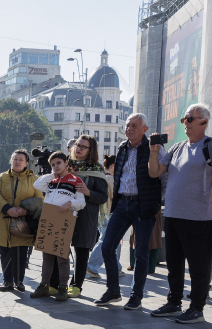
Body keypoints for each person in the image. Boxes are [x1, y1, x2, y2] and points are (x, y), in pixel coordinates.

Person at [147, 103, 212, 323]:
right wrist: (153, 152)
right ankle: (174, 302)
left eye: (189, 119)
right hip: (174, 215)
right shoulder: (178, 147)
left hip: (198, 218)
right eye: (184, 119)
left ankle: (197, 307)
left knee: (199, 265)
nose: (184, 123)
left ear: (204, 122)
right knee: (174, 263)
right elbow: (155, 172)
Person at [94, 113, 163, 310]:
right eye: (127, 125)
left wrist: (156, 201)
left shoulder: (154, 147)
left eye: (134, 125)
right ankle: (113, 291)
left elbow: (161, 175)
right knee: (107, 246)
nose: (129, 128)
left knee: (141, 253)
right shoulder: (122, 148)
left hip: (143, 205)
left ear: (144, 129)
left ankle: (136, 296)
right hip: (123, 203)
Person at [30, 151, 86, 300]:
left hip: (64, 222)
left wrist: (70, 203)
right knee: (47, 257)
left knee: (62, 257)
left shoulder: (76, 180)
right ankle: (44, 286)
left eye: (58, 163)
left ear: (66, 162)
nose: (56, 166)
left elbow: (82, 203)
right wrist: (52, 174)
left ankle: (62, 288)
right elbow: (37, 184)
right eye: (53, 164)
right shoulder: (51, 181)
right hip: (48, 220)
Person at [0, 149, 43, 292]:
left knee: (21, 253)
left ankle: (19, 281)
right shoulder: (3, 177)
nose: (17, 162)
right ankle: (7, 281)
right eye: (15, 159)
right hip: (3, 220)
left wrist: (25, 210)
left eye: (20, 159)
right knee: (4, 251)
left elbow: (39, 200)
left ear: (26, 163)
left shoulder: (34, 180)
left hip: (23, 222)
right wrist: (8, 209)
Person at [66, 135, 108, 297]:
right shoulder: (67, 165)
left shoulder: (96, 169)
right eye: (77, 145)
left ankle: (76, 286)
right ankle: (58, 283)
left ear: (91, 150)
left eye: (83, 147)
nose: (79, 149)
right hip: (64, 212)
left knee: (81, 251)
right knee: (59, 248)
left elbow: (103, 197)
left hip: (86, 216)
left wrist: (88, 192)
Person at [86, 155, 123, 278]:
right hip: (111, 213)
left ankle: (116, 267)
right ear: (112, 166)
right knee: (106, 240)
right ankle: (91, 266)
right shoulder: (111, 179)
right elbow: (114, 198)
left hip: (102, 213)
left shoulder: (102, 178)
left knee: (115, 241)